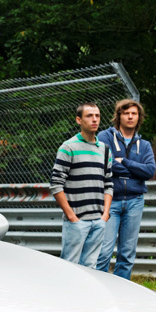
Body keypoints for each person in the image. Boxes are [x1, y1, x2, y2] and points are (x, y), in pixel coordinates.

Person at [96, 99, 156, 279]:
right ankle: (97, 291)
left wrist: (126, 162)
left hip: (134, 201)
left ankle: (122, 294)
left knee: (127, 253)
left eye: (134, 113)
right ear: (119, 116)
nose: (130, 117)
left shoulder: (144, 144)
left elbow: (150, 171)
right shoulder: (105, 137)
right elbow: (106, 164)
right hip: (110, 201)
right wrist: (134, 169)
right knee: (104, 251)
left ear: (139, 118)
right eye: (126, 113)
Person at [49, 103, 112, 266]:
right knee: (69, 266)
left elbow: (109, 184)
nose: (94, 120)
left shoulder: (105, 150)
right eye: (89, 116)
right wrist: (71, 216)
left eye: (97, 116)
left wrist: (104, 215)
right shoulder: (68, 147)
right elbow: (56, 184)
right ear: (79, 120)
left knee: (90, 268)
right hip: (77, 221)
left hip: (98, 220)